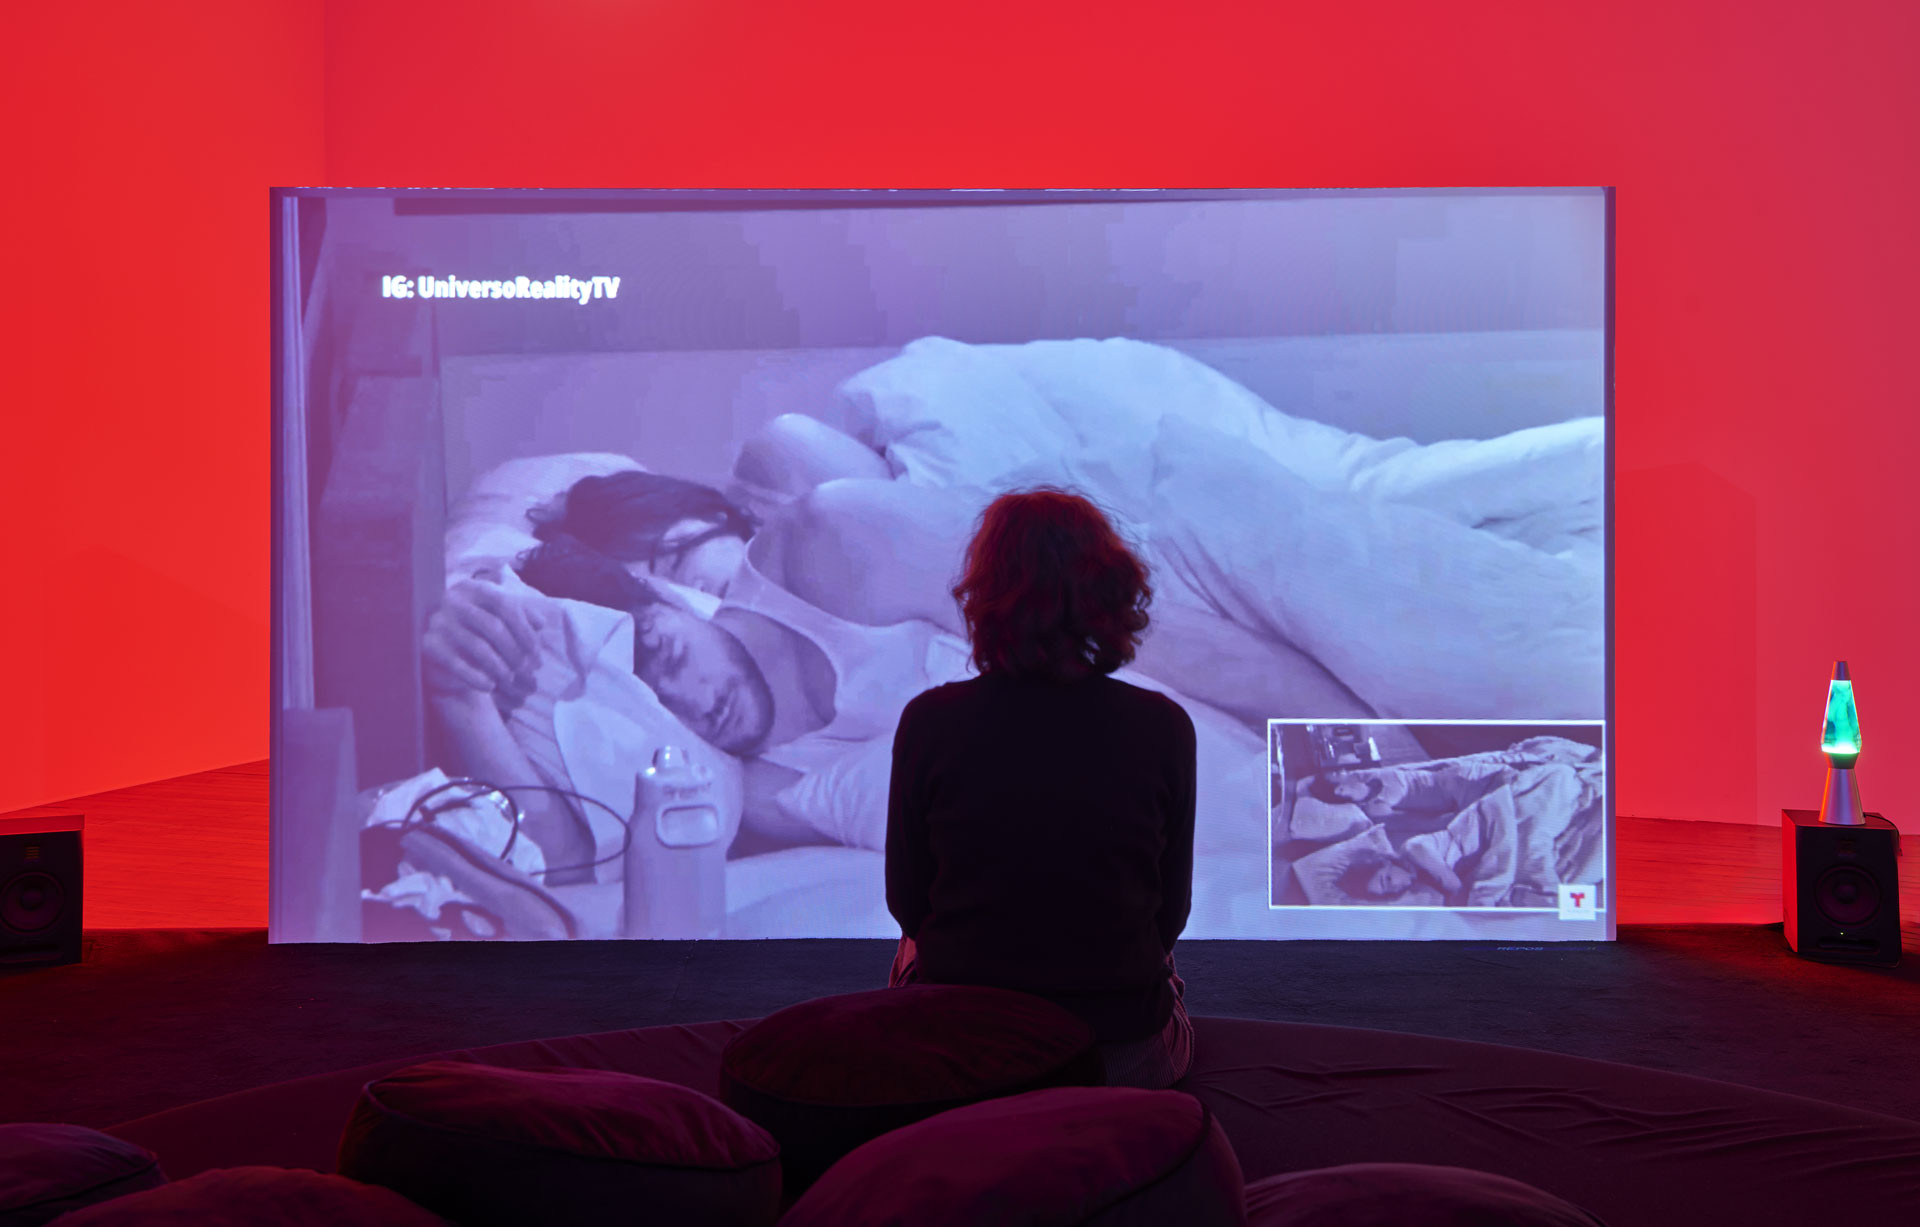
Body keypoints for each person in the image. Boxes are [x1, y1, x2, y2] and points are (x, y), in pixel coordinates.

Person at [883, 489, 1198, 1089]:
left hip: (966, 1048)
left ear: (984, 594)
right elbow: (1169, 915)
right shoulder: (1164, 725)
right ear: (1112, 590)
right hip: (1120, 1056)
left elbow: (908, 902)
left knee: (910, 950)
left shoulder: (929, 721)